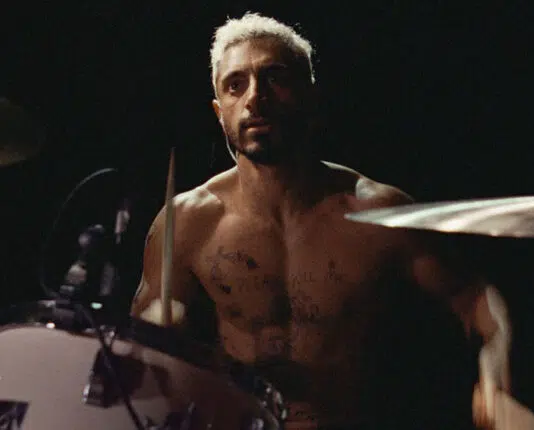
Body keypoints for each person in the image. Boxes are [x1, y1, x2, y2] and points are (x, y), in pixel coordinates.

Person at [130, 12, 513, 430]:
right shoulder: (188, 221)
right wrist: (157, 330)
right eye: (235, 85)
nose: (255, 98)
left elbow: (476, 299)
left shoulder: (375, 212)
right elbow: (139, 342)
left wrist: (496, 373)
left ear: (310, 95)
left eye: (274, 77)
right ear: (219, 111)